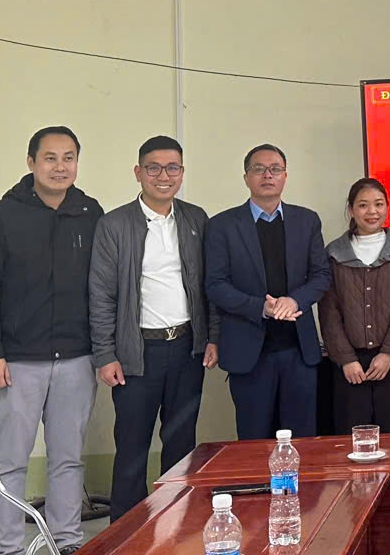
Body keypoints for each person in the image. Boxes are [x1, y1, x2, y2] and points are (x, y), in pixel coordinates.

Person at [0, 126, 101, 555]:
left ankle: (66, 541)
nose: (60, 167)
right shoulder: (0, 217)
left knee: (68, 459)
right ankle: (6, 547)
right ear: (31, 163)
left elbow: (103, 287)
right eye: (50, 158)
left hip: (77, 359)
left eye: (68, 158)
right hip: (17, 362)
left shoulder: (90, 213)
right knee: (11, 461)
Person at [89, 135, 219, 521]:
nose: (164, 176)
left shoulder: (196, 219)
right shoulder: (114, 224)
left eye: (172, 168)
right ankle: (127, 534)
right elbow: (101, 294)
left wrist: (212, 337)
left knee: (181, 444)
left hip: (186, 348)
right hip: (136, 352)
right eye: (154, 168)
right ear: (138, 173)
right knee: (132, 446)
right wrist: (105, 354)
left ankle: (178, 526)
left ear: (182, 172)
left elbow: (209, 285)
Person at [204, 143, 331, 439]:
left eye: (275, 169)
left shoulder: (306, 220)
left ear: (285, 176)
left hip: (299, 352)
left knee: (302, 440)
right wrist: (260, 307)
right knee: (254, 441)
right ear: (246, 177)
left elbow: (321, 275)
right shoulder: (222, 225)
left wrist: (294, 300)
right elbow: (215, 285)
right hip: (249, 353)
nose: (267, 175)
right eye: (258, 169)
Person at [318, 178, 390, 434]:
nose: (372, 211)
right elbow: (329, 312)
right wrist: (346, 360)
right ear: (351, 209)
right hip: (348, 366)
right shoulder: (333, 254)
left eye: (378, 204)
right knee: (351, 438)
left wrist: (388, 353)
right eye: (363, 205)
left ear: (387, 207)